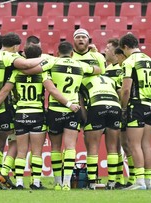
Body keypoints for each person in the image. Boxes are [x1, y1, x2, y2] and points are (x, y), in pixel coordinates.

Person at [0, 44, 77, 190]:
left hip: (20, 114)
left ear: (25, 56)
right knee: (37, 151)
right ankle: (35, 182)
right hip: (37, 114)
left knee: (21, 151)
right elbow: (51, 89)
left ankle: (20, 183)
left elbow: (5, 91)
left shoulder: (16, 73)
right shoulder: (44, 72)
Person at [23, 41, 101, 190]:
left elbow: (40, 79)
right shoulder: (79, 65)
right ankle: (66, 183)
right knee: (70, 146)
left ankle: (58, 182)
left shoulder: (52, 62)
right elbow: (98, 69)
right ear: (72, 53)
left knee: (55, 147)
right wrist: (94, 56)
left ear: (57, 52)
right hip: (73, 110)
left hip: (56, 110)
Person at [0, 32, 43, 190]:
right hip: (2, 107)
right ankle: (5, 172)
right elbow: (26, 65)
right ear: (15, 46)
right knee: (15, 141)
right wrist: (44, 58)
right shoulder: (8, 57)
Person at [119, 33, 151, 190]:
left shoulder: (129, 62)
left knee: (134, 144)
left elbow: (126, 89)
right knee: (146, 144)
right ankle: (148, 181)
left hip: (137, 104)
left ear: (126, 47)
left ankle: (139, 181)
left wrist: (124, 107)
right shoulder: (150, 60)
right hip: (150, 105)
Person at [80, 74, 122, 190]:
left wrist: (85, 121)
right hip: (115, 106)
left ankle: (92, 183)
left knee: (93, 147)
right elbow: (120, 93)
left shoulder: (82, 80)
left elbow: (81, 104)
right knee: (113, 147)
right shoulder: (110, 79)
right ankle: (112, 182)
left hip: (97, 105)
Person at [103, 39, 128, 188]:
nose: (105, 51)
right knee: (118, 145)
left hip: (117, 109)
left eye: (107, 48)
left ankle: (124, 179)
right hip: (115, 110)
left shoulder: (118, 69)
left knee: (122, 144)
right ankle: (120, 179)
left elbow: (121, 91)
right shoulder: (108, 68)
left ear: (115, 51)